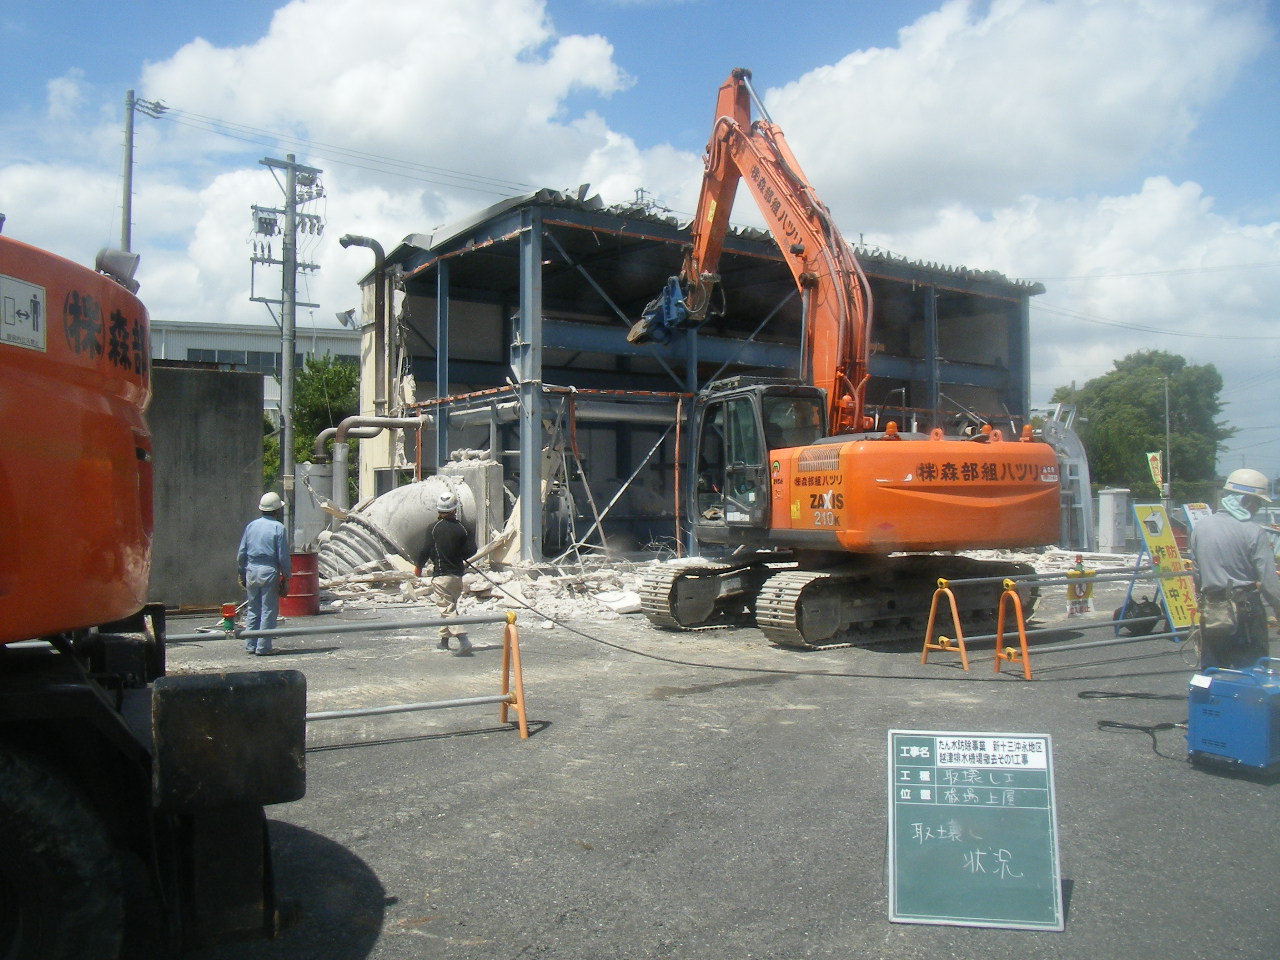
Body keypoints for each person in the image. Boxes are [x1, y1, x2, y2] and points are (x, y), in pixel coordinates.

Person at [1189, 468, 1280, 670]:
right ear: (1245, 500)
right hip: (1245, 608)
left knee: (1213, 668)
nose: (1256, 508)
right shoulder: (1253, 531)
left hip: (1213, 608)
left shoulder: (1201, 528)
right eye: (1257, 502)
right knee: (1250, 672)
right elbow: (1268, 582)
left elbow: (1197, 574)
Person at [415, 490, 477, 656]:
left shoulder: (433, 528)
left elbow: (425, 550)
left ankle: (463, 640)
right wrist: (458, 555)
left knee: (447, 610)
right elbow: (472, 550)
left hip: (441, 576)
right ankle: (444, 641)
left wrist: (418, 567)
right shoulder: (463, 529)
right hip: (457, 577)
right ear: (455, 510)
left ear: (438, 510)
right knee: (449, 608)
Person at [236, 491, 291, 656]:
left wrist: (241, 572)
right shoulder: (278, 528)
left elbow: (242, 553)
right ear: (276, 511)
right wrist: (286, 577)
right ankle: (263, 647)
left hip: (251, 571)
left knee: (253, 609)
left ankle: (250, 644)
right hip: (269, 571)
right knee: (268, 609)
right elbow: (282, 556)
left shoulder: (251, 526)